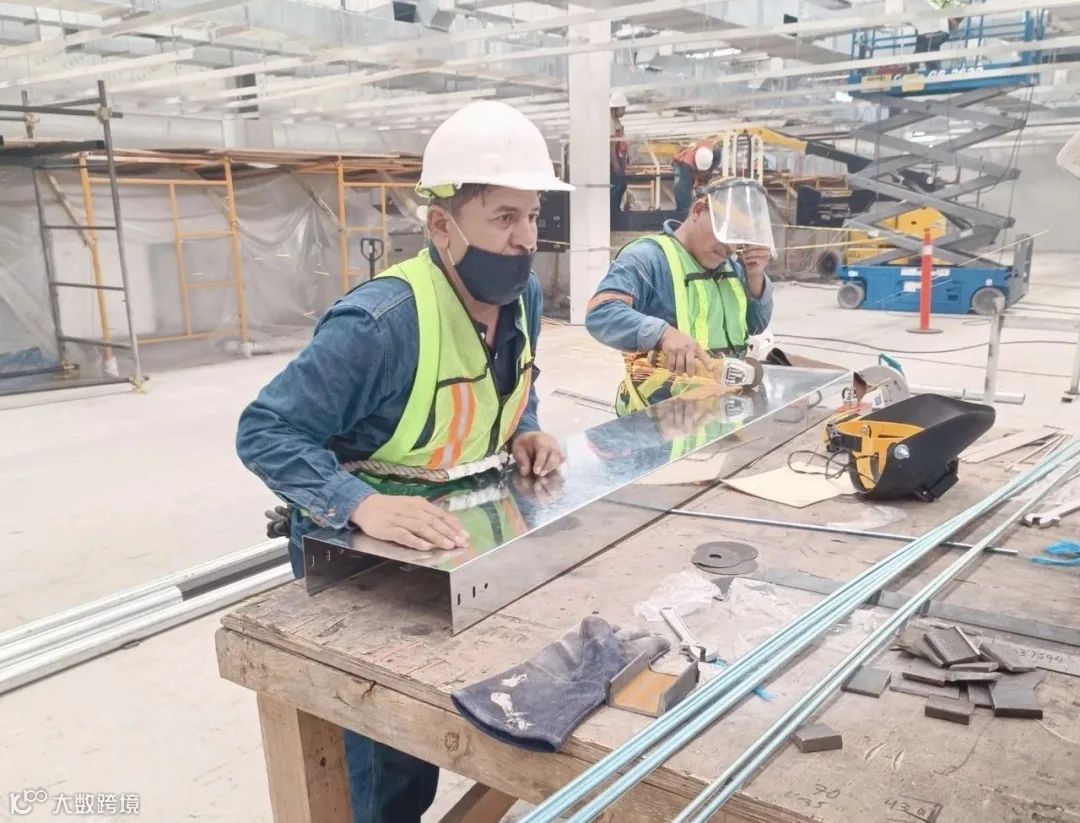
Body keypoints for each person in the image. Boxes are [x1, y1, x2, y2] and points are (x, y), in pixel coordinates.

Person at [235, 99, 571, 823]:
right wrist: (359, 503)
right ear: (442, 225)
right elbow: (266, 430)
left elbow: (509, 381)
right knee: (387, 758)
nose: (524, 239)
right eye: (503, 217)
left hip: (453, 533)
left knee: (452, 713)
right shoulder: (381, 324)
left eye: (532, 216)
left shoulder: (523, 298)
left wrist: (525, 427)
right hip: (360, 551)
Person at [585, 177, 775, 415]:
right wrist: (663, 334)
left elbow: (755, 325)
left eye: (737, 241)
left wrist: (755, 276)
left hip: (716, 414)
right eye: (724, 235)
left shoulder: (731, 268)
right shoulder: (647, 258)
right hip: (656, 419)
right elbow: (601, 313)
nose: (729, 249)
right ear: (697, 210)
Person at [673, 140, 720, 212]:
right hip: (684, 167)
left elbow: (711, 167)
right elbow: (686, 183)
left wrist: (708, 172)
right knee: (683, 186)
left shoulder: (715, 152)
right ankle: (683, 209)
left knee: (706, 181)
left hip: (704, 167)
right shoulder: (686, 162)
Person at [610, 90, 630, 214]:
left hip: (619, 160)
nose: (624, 111)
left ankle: (616, 210)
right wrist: (616, 166)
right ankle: (613, 213)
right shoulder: (610, 123)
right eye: (622, 108)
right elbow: (611, 148)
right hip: (613, 164)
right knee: (616, 186)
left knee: (622, 185)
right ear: (614, 109)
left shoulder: (616, 121)